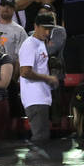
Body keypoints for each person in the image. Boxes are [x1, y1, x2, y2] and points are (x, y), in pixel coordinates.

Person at [19, 12, 58, 142]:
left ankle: (39, 162)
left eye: (50, 29)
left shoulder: (40, 43)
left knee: (43, 137)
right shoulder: (30, 44)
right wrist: (48, 78)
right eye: (45, 28)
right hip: (34, 98)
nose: (47, 32)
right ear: (36, 26)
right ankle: (36, 163)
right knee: (40, 138)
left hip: (41, 97)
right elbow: (25, 72)